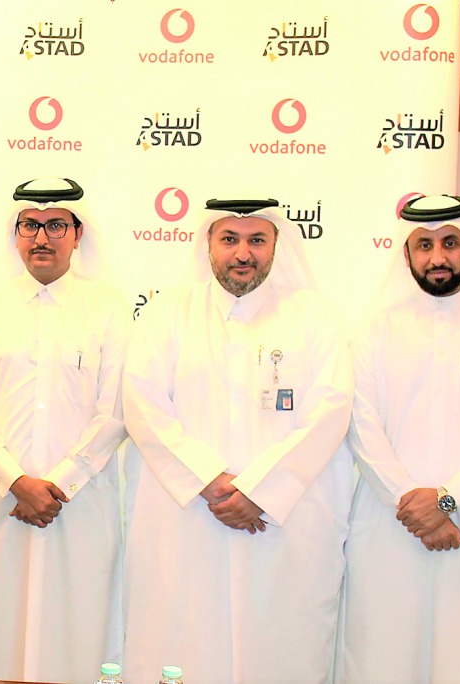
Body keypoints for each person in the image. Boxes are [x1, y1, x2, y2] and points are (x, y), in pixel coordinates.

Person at [121, 199, 353, 683]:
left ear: (275, 246)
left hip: (283, 525)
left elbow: (330, 411)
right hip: (186, 520)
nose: (242, 253)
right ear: (208, 244)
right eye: (229, 239)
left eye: (256, 240)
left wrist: (260, 491)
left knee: (281, 649)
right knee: (183, 645)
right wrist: (209, 479)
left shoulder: (315, 316)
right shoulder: (168, 314)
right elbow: (142, 405)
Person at [337, 195, 460, 683]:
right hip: (393, 523)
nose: (437, 257)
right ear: (405, 255)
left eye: (450, 243)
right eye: (423, 245)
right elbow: (361, 426)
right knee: (385, 653)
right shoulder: (374, 330)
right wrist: (416, 506)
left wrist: (448, 499)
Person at [0, 177, 127, 683]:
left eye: (55, 225)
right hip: (1, 501)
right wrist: (17, 481)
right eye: (30, 225)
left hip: (81, 504)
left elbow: (114, 411)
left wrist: (59, 485)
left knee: (77, 630)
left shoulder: (109, 308)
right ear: (16, 235)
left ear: (77, 234)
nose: (42, 237)